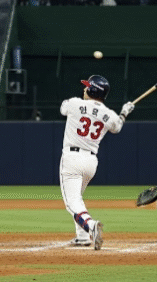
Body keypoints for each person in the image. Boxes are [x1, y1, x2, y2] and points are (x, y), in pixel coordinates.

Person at [59, 75, 134, 250]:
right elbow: (117, 127)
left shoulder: (75, 103)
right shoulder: (109, 114)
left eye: (87, 86)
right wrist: (124, 112)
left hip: (72, 158)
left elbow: (63, 108)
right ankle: (82, 237)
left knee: (71, 203)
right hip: (91, 162)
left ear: (92, 90)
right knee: (77, 199)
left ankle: (91, 226)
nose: (84, 89)